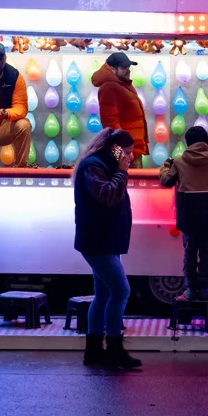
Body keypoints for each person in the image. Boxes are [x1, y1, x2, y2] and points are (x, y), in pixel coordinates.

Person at [74, 128, 142, 370]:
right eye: (128, 152)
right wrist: (122, 171)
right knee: (121, 291)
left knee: (103, 295)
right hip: (98, 241)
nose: (130, 157)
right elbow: (107, 196)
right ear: (115, 150)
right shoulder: (94, 166)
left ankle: (93, 352)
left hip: (105, 240)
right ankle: (114, 349)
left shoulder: (102, 165)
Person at [159, 125, 208, 300]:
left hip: (188, 214)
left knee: (190, 250)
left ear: (187, 143)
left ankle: (191, 289)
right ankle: (205, 288)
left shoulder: (179, 162)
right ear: (206, 141)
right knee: (206, 250)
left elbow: (166, 180)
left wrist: (165, 165)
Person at [92, 52, 149, 162]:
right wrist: (123, 149)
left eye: (128, 67)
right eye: (123, 68)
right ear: (112, 69)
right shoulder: (109, 87)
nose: (128, 70)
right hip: (126, 153)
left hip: (132, 149)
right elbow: (110, 121)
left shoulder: (123, 85)